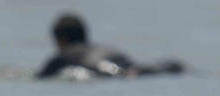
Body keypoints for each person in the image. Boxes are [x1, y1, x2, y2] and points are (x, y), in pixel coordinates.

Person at [36, 13, 185, 80]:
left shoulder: (63, 56)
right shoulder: (103, 48)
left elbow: (40, 78)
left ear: (61, 39)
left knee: (124, 75)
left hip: (108, 73)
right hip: (128, 66)